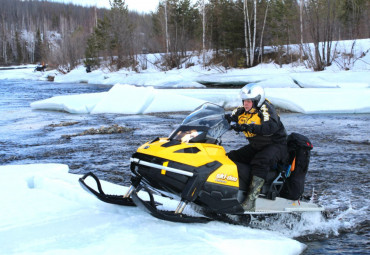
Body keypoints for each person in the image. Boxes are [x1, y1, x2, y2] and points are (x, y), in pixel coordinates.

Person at [225, 84, 287, 211]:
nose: (246, 104)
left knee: (260, 161)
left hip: (275, 145)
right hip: (257, 145)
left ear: (257, 101)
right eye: (244, 101)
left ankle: (251, 200)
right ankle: (228, 190)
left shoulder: (266, 108)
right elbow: (229, 117)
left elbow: (270, 127)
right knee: (230, 157)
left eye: (249, 101)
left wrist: (248, 127)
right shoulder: (241, 110)